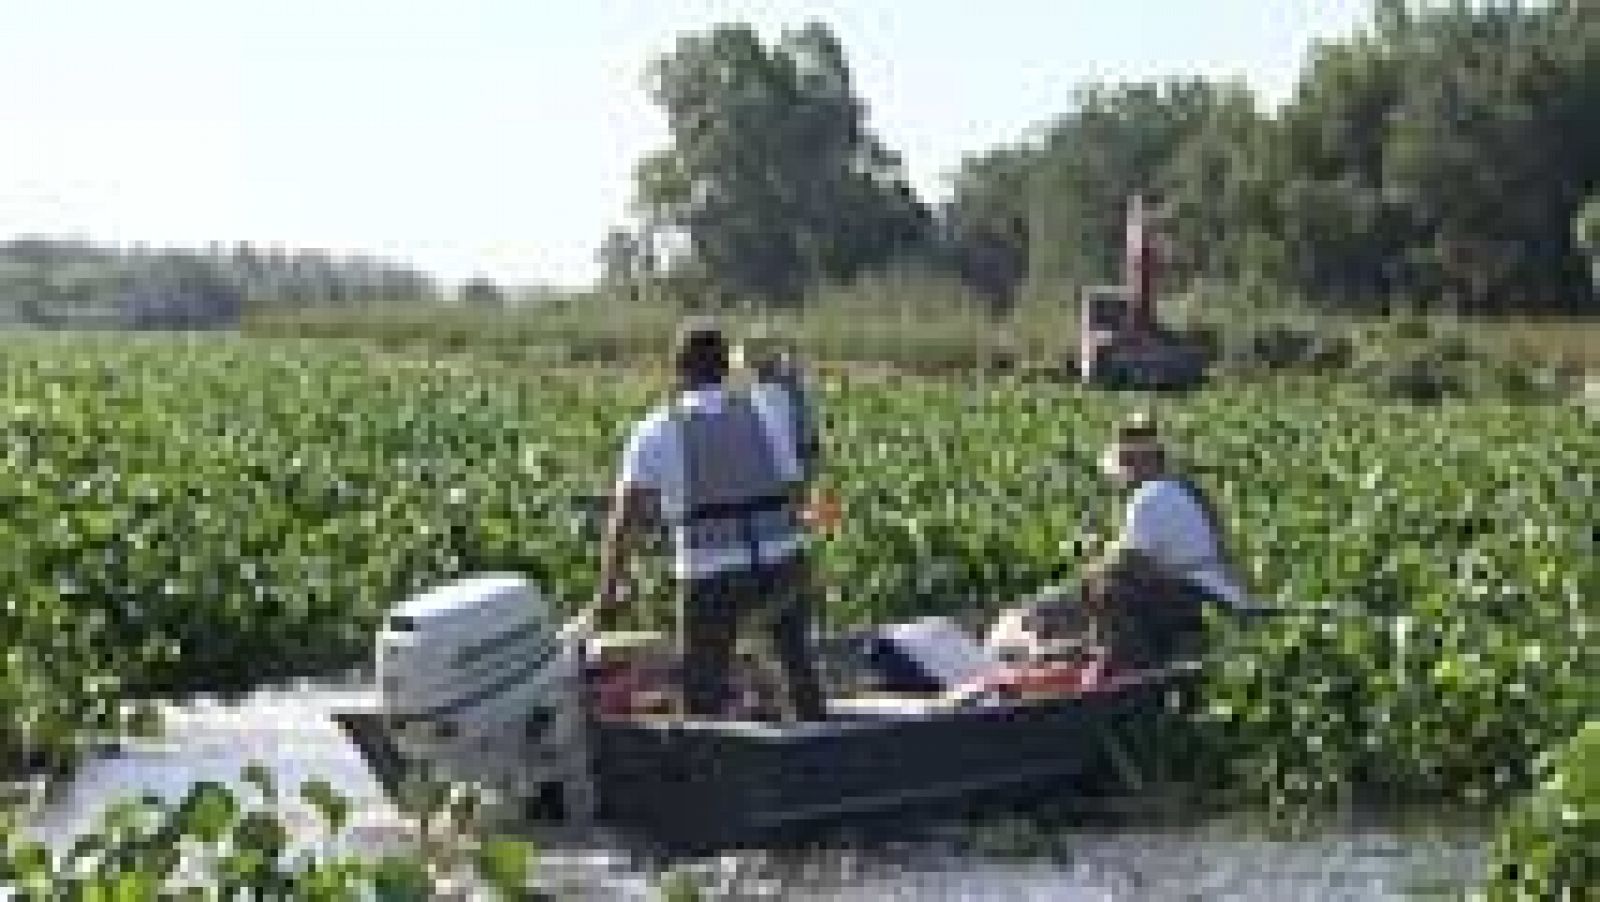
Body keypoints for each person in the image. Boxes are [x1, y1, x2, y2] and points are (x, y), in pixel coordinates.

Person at [594, 319, 827, 721]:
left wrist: (609, 591)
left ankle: (714, 764)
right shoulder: (765, 412)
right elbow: (798, 486)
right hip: (782, 564)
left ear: (678, 371)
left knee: (704, 690)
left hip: (711, 574)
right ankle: (818, 746)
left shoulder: (658, 429)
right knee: (797, 669)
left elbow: (626, 519)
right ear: (726, 368)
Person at [1081, 414, 1249, 668]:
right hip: (1216, 592)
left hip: (1201, 597)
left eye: (1127, 464)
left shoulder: (1148, 497)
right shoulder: (1181, 489)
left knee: (1108, 588)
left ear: (1141, 463)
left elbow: (1127, 562)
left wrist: (1092, 568)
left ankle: (1133, 671)